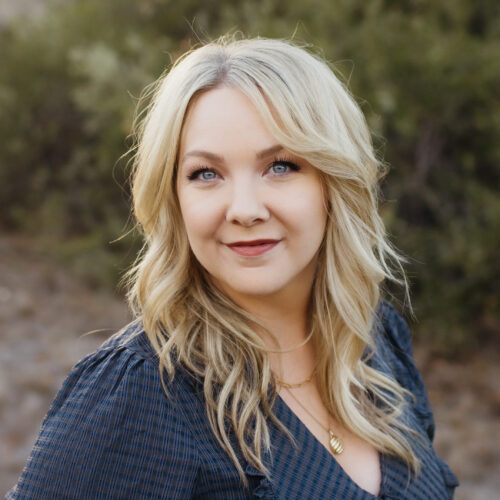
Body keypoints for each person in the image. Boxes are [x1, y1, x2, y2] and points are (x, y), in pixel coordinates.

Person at [5, 36, 459, 499]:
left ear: (335, 182)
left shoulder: (375, 339)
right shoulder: (141, 394)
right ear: (173, 198)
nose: (244, 209)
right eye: (206, 173)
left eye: (280, 166)